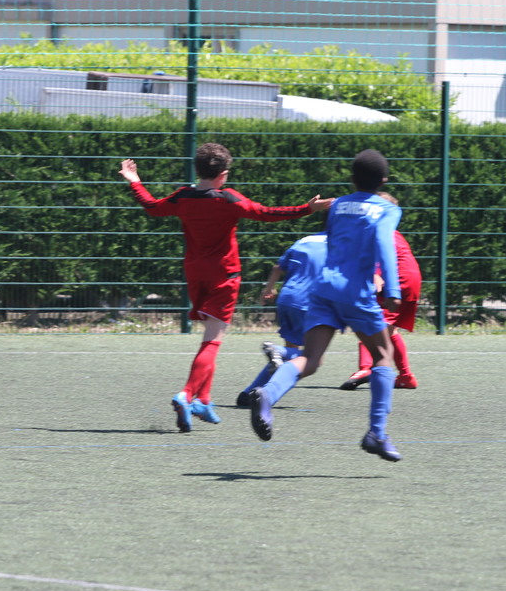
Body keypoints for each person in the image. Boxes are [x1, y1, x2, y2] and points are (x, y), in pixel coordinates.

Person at [119, 143, 332, 433]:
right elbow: (266, 212)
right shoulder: (228, 199)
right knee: (212, 341)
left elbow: (152, 207)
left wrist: (134, 181)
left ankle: (204, 400)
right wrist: (307, 209)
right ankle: (187, 395)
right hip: (224, 276)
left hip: (195, 274)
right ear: (223, 174)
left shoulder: (183, 196)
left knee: (211, 335)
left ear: (197, 169)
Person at [247, 149, 403, 461]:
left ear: (352, 178)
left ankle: (268, 394)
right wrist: (393, 287)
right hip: (355, 292)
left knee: (310, 358)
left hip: (323, 290)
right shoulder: (387, 209)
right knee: (383, 356)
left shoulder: (338, 205)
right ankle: (376, 433)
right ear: (384, 180)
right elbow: (384, 242)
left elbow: (332, 242)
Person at [340, 192, 423, 391]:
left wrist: (376, 275)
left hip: (398, 279)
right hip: (412, 278)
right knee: (389, 329)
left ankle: (365, 368)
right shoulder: (393, 231)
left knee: (369, 322)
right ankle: (405, 377)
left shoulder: (377, 230)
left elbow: (381, 255)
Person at [235, 231, 327, 407]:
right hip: (310, 302)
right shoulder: (340, 245)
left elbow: (278, 267)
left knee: (288, 355)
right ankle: (277, 355)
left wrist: (269, 289)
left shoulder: (304, 240)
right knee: (314, 358)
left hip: (287, 299)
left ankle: (250, 392)